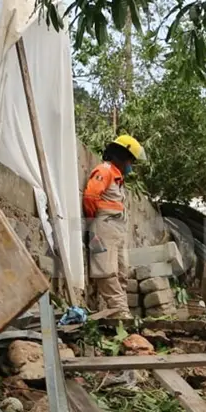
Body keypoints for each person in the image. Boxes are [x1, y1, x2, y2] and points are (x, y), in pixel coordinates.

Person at [84, 134, 145, 318]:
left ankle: (118, 312)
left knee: (121, 272)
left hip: (117, 229)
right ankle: (120, 313)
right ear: (121, 156)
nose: (130, 166)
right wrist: (92, 223)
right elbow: (90, 197)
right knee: (106, 272)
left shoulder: (118, 179)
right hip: (104, 226)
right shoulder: (105, 171)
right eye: (130, 161)